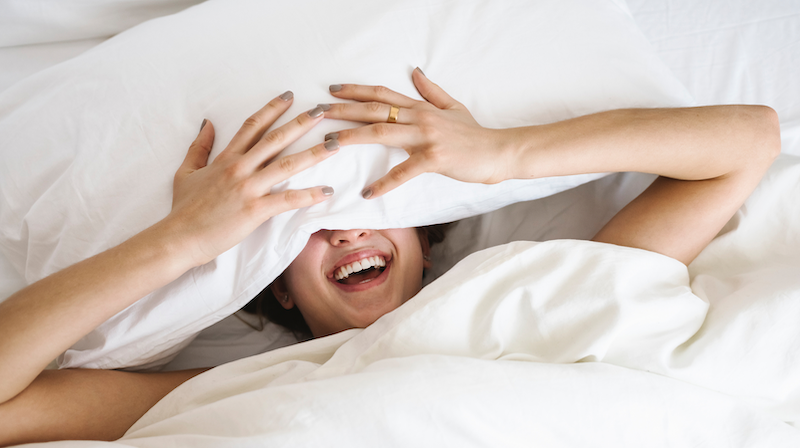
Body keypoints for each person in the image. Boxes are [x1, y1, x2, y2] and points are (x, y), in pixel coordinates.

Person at [0, 68, 780, 445]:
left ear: (421, 231)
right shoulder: (221, 385)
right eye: (306, 223)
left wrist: (501, 153)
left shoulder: (531, 292)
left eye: (368, 210)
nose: (344, 232)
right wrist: (180, 242)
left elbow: (747, 143)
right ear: (278, 293)